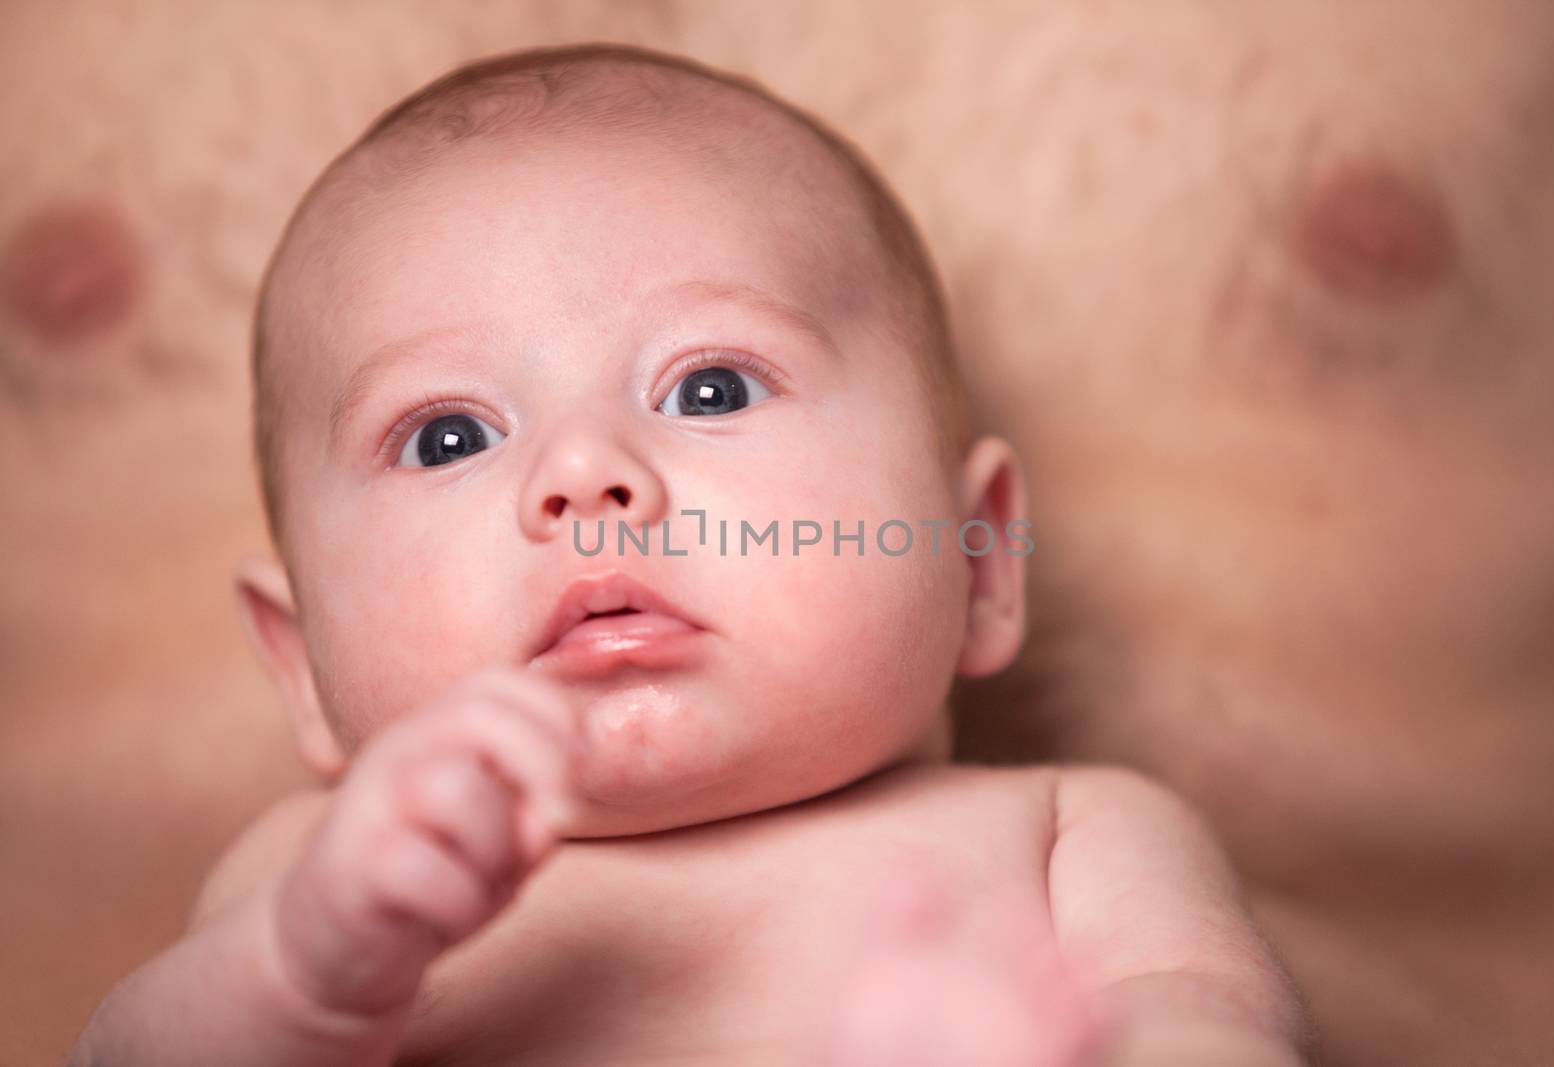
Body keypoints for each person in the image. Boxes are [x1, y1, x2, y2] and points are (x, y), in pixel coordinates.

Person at [67, 45, 1308, 1067]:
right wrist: (297, 979)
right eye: (447, 434)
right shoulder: (320, 881)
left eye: (710, 385)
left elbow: (1215, 1030)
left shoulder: (1068, 834)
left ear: (978, 558)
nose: (582, 473)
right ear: (300, 666)